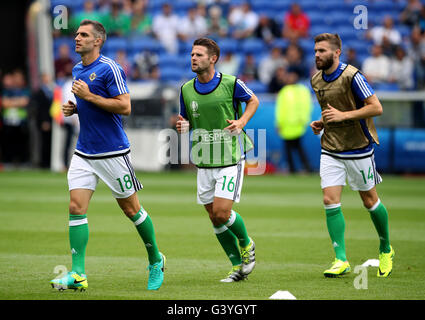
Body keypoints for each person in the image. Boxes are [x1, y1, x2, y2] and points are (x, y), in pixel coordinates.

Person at [50, 19, 165, 291]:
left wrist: (88, 98)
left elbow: (124, 106)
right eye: (77, 34)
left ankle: (155, 259)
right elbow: (91, 104)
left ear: (98, 41)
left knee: (131, 210)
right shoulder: (78, 68)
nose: (77, 38)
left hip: (112, 152)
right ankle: (78, 275)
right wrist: (76, 109)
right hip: (83, 151)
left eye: (84, 35)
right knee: (76, 208)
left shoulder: (110, 68)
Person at [310, 33, 394, 278]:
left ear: (337, 52)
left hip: (358, 149)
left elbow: (376, 107)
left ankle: (386, 249)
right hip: (331, 149)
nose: (317, 54)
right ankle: (340, 259)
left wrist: (344, 116)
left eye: (323, 51)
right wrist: (323, 122)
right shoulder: (316, 80)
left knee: (369, 201)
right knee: (329, 200)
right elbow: (331, 112)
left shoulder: (353, 76)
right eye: (316, 50)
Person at [176, 37, 259, 282]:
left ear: (213, 59)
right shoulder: (186, 89)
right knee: (214, 217)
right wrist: (183, 126)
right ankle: (237, 267)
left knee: (222, 213)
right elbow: (186, 119)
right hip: (204, 160)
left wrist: (242, 122)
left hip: (230, 158)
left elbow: (253, 100)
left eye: (199, 55)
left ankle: (246, 243)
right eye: (192, 54)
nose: (193, 58)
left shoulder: (231, 83)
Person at [275, 68, 312, 173]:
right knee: (290, 149)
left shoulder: (302, 90)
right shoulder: (284, 91)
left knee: (298, 148)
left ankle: (306, 167)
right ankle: (293, 169)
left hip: (297, 125)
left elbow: (306, 106)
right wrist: (279, 123)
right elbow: (280, 109)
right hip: (286, 126)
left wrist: (304, 119)